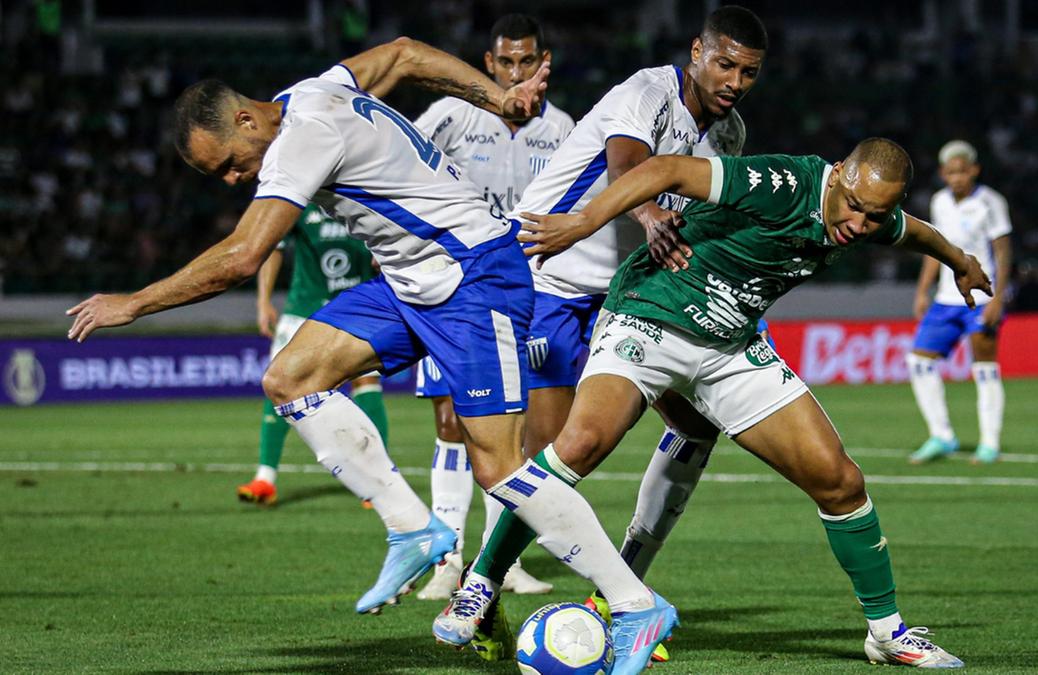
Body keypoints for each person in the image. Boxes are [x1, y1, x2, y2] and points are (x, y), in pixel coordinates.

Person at [66, 36, 675, 675]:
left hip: (475, 280)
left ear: (247, 120)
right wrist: (497, 96)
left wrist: (133, 303)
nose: (231, 179)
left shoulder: (302, 136)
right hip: (409, 284)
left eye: (227, 163)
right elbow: (407, 55)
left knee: (499, 469)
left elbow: (243, 258)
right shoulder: (315, 90)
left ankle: (635, 603)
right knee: (289, 376)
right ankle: (413, 528)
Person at [510, 138, 992, 668]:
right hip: (656, 312)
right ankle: (482, 586)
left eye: (874, 216)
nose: (859, 225)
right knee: (576, 448)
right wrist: (583, 222)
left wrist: (961, 260)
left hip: (731, 346)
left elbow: (913, 232)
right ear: (838, 176)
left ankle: (886, 632)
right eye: (854, 206)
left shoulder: (870, 215)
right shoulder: (782, 184)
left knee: (841, 482)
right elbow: (667, 168)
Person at [433, 6, 764, 665]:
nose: (733, 80)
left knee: (695, 427)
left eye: (748, 71)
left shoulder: (730, 132)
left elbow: (705, 215)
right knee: (558, 449)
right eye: (723, 63)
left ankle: (618, 596)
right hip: (548, 275)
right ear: (696, 52)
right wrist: (647, 214)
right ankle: (480, 584)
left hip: (631, 295)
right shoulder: (647, 92)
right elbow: (627, 163)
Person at [410, 13, 572, 600]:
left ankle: (496, 560)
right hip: (449, 283)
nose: (515, 71)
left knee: (511, 430)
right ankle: (445, 562)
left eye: (526, 61)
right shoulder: (453, 115)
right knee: (453, 424)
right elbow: (403, 166)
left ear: (542, 62)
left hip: (522, 291)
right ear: (488, 64)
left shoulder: (563, 130)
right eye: (506, 62)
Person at [238, 204, 385, 506]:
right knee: (279, 383)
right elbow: (273, 247)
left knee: (365, 382)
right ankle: (265, 479)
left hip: (355, 304)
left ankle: (377, 479)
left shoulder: (360, 195)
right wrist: (263, 301)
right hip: (303, 308)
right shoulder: (301, 200)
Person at [907, 140, 1011, 465]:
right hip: (945, 300)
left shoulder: (990, 202)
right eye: (950, 172)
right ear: (942, 174)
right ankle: (942, 436)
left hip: (982, 297)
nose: (956, 178)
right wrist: (923, 290)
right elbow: (934, 250)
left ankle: (989, 443)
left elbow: (1004, 252)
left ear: (974, 170)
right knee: (919, 361)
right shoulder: (939, 202)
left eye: (962, 172)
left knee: (984, 367)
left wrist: (999, 298)